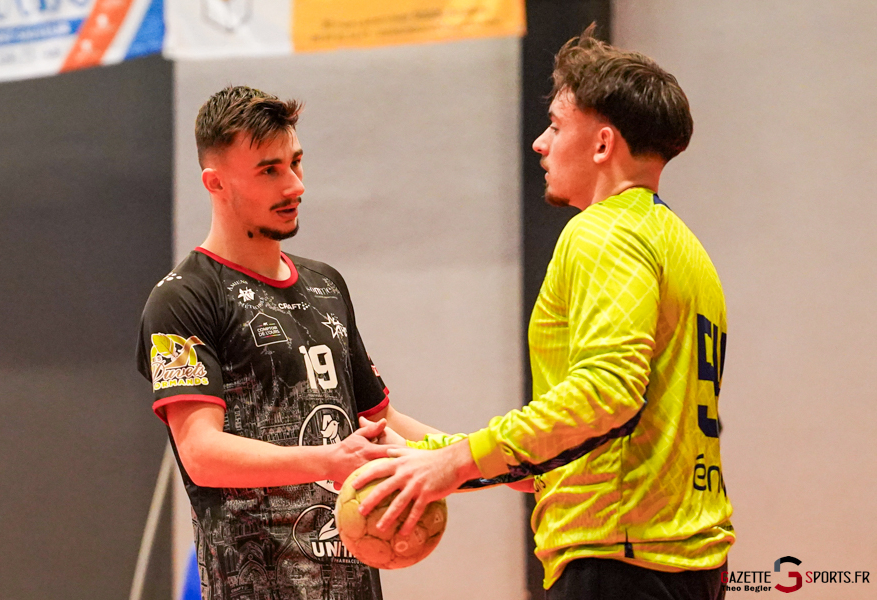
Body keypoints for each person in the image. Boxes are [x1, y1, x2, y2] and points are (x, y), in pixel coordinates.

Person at [355, 26, 734, 600]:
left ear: (602, 145)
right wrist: (424, 453)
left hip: (618, 562)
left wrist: (453, 464)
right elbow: (577, 445)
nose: (539, 142)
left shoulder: (603, 232)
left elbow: (605, 394)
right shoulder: (683, 246)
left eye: (556, 126)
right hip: (680, 564)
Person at [135, 85, 437, 600]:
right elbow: (202, 453)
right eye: (269, 171)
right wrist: (329, 459)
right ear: (215, 183)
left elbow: (382, 422)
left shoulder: (326, 284)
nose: (295, 185)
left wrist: (494, 460)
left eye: (296, 163)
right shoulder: (183, 298)